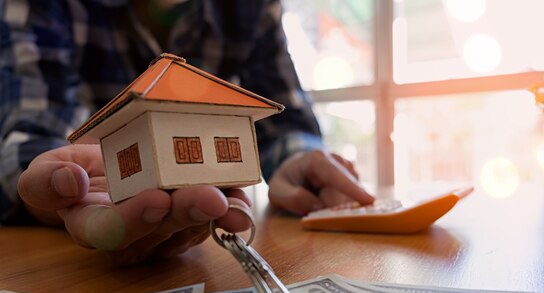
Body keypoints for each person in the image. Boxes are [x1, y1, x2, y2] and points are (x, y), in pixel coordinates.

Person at [0, 0, 374, 264]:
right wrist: (58, 189)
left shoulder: (253, 7)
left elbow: (286, 120)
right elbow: (29, 137)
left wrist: (297, 159)